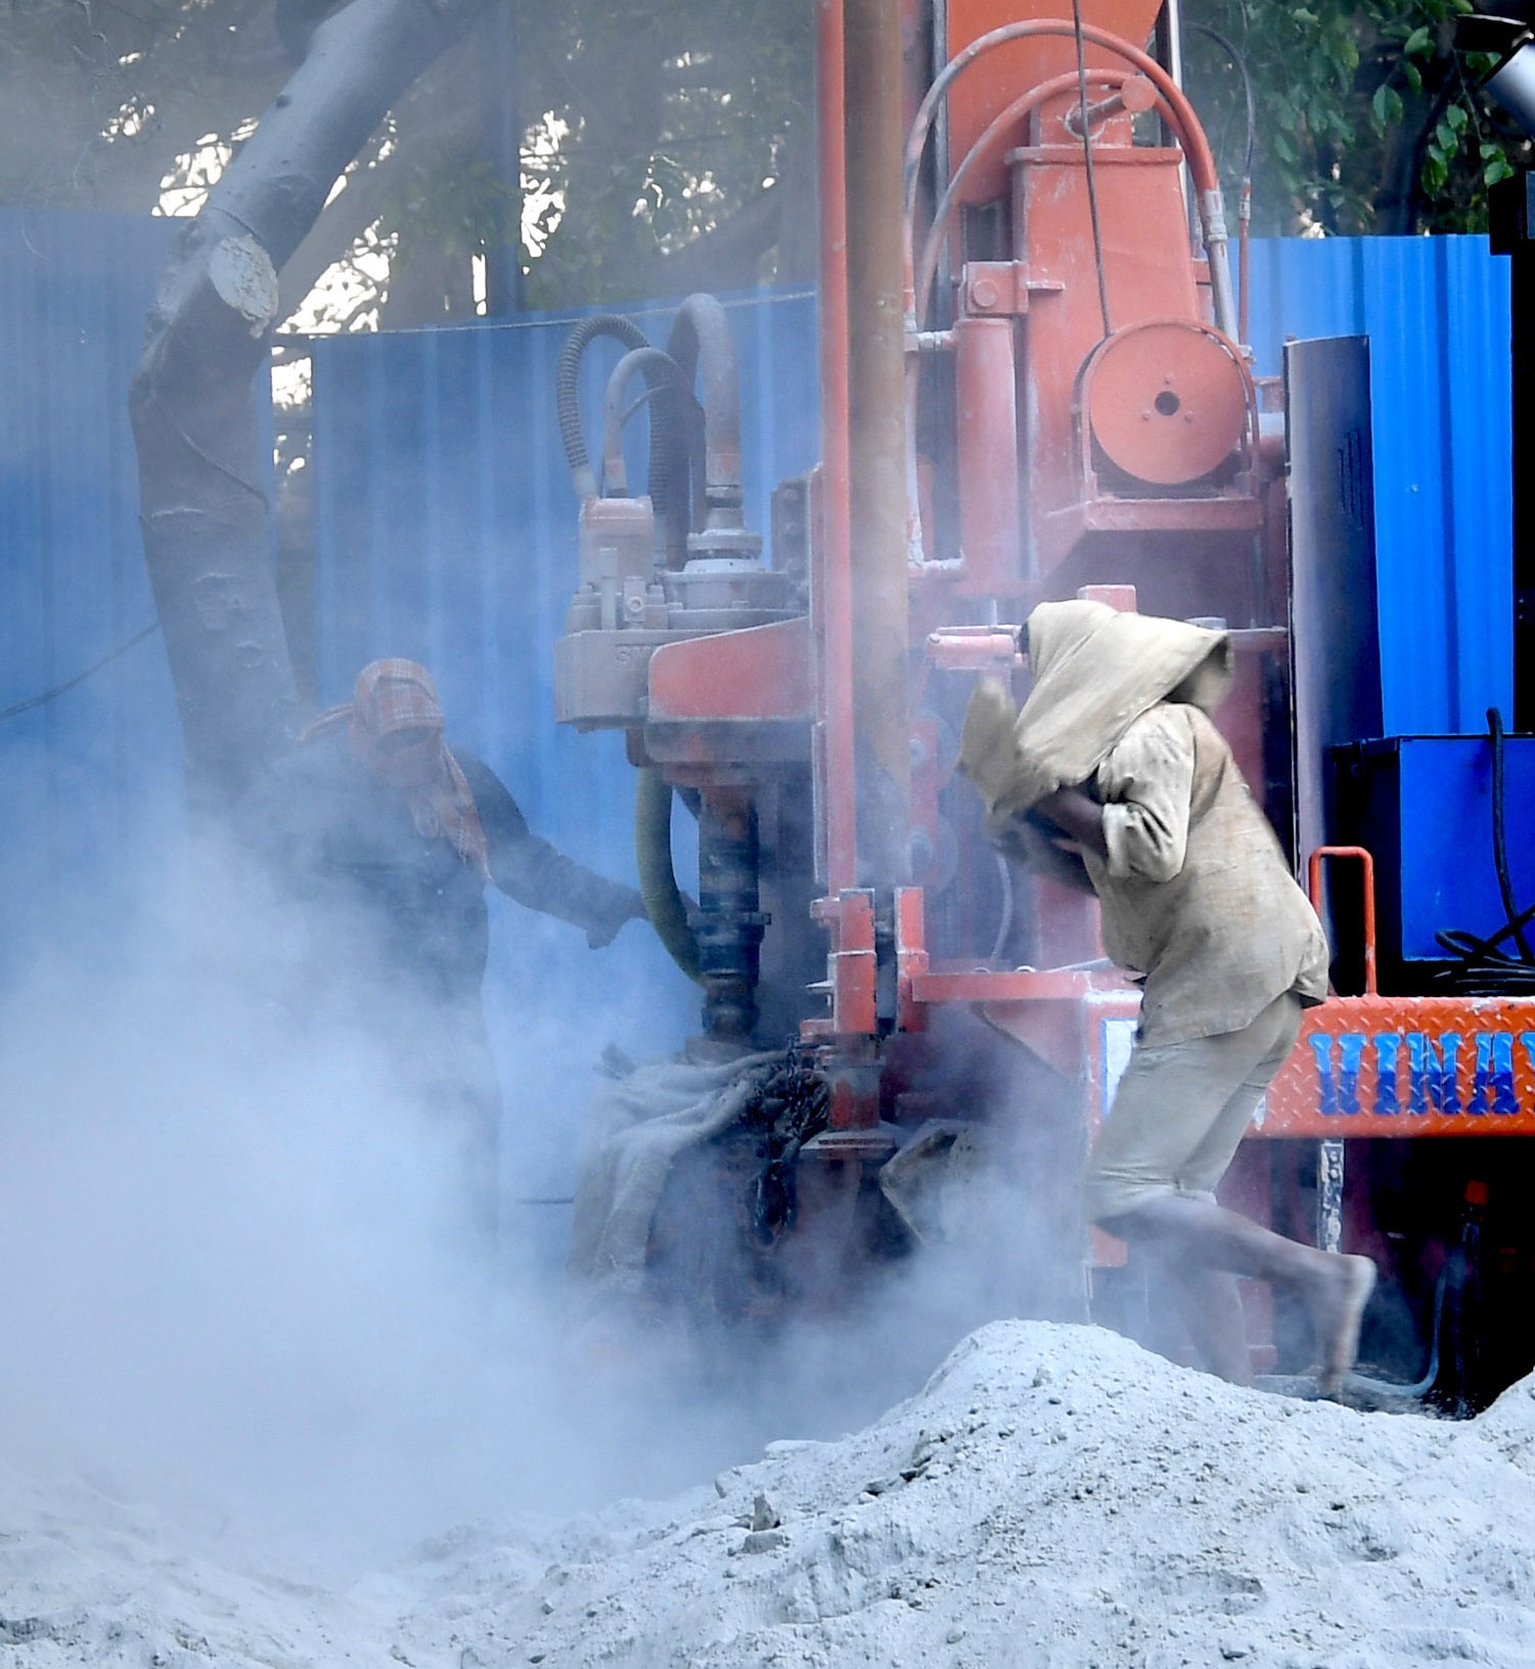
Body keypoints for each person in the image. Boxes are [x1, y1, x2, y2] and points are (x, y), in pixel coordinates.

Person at [959, 600, 1376, 1394]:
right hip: (1256, 974)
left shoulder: (1149, 729)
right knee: (1178, 1204)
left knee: (1119, 1194)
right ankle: (1231, 1392)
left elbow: (1149, 849)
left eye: (1041, 670)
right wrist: (1019, 824)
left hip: (1224, 970)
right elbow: (1109, 868)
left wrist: (1041, 795)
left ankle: (1322, 1277)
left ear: (1080, 667)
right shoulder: (1146, 737)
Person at [236, 657, 650, 1230]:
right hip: (343, 1031)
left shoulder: (462, 780)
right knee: (365, 1178)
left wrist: (624, 904)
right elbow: (246, 900)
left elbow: (525, 862)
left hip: (448, 1023)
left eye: (424, 739)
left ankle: (469, 1296)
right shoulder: (301, 791)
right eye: (397, 743)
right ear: (364, 734)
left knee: (466, 1158)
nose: (414, 757)